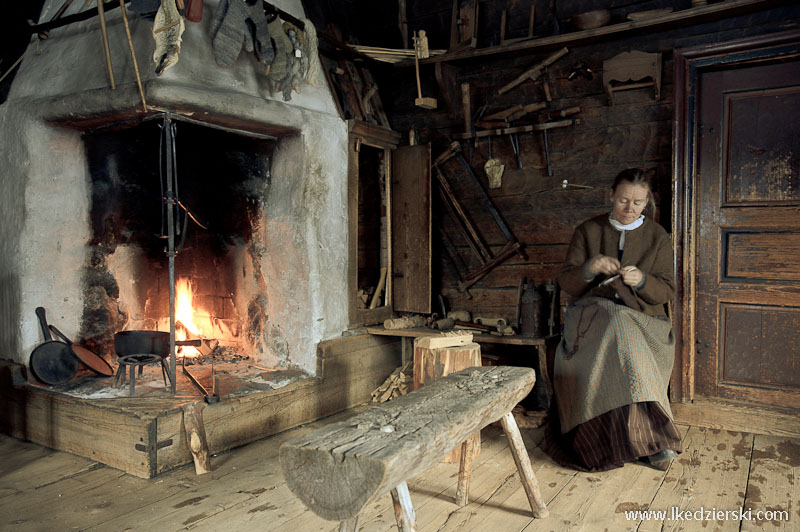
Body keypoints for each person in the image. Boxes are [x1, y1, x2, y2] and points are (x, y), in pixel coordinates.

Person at [547, 168, 681, 471]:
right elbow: (567, 282)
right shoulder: (588, 231)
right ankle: (655, 442)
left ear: (647, 203)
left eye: (637, 203)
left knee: (624, 330)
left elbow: (666, 291)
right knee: (616, 322)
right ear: (611, 195)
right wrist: (590, 267)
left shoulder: (657, 236)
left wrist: (642, 279)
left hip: (645, 320)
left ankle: (643, 438)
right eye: (623, 201)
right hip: (592, 317)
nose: (629, 208)